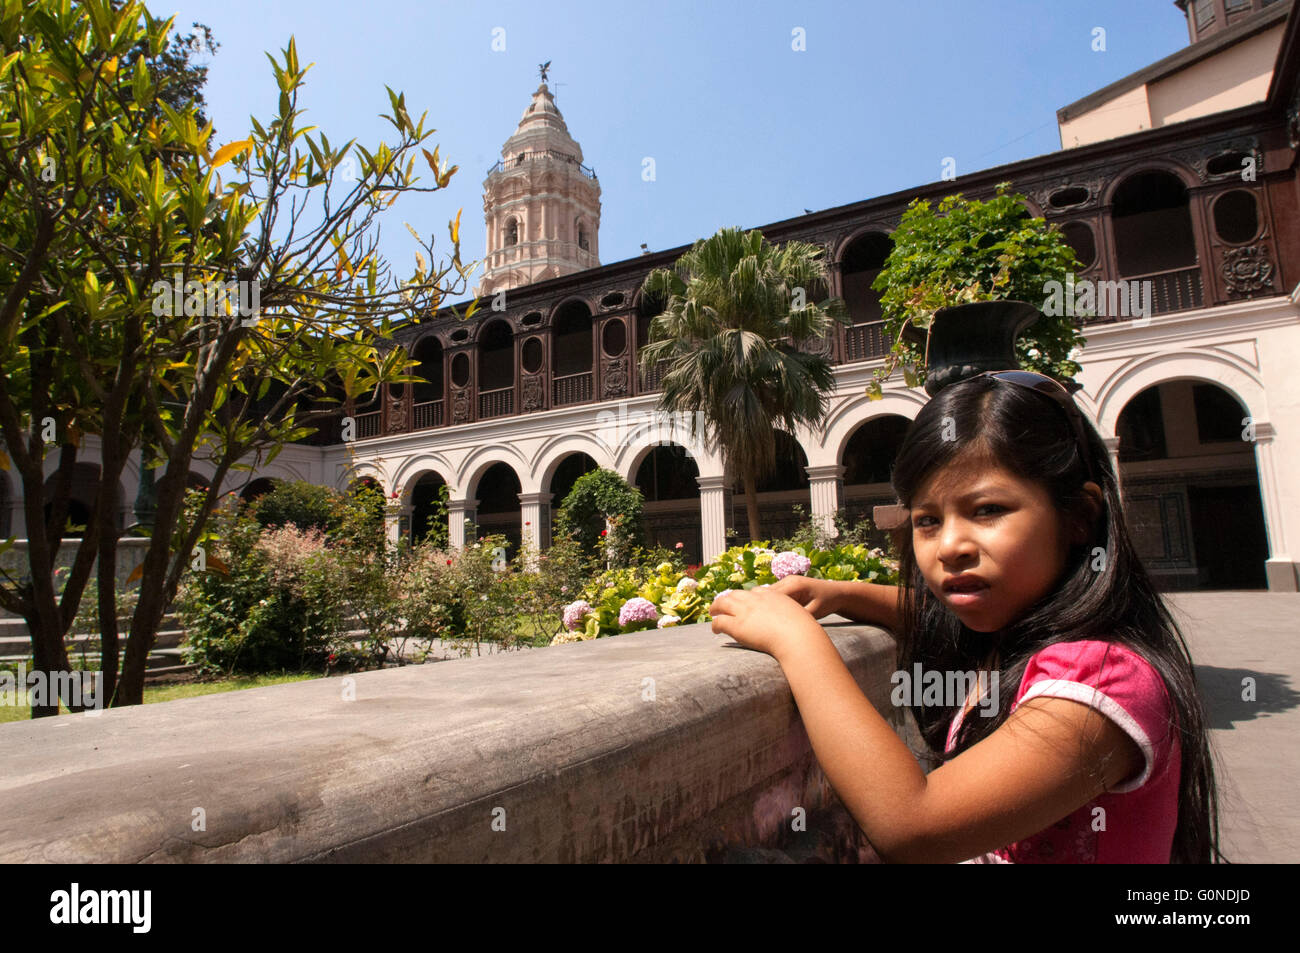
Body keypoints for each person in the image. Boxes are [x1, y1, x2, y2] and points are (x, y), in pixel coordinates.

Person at [709, 370, 1224, 863]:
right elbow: (939, 617)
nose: (950, 546)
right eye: (927, 520)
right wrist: (847, 594)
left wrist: (797, 640)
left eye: (988, 510)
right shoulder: (1032, 634)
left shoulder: (1101, 684)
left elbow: (913, 826)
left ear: (1079, 518)